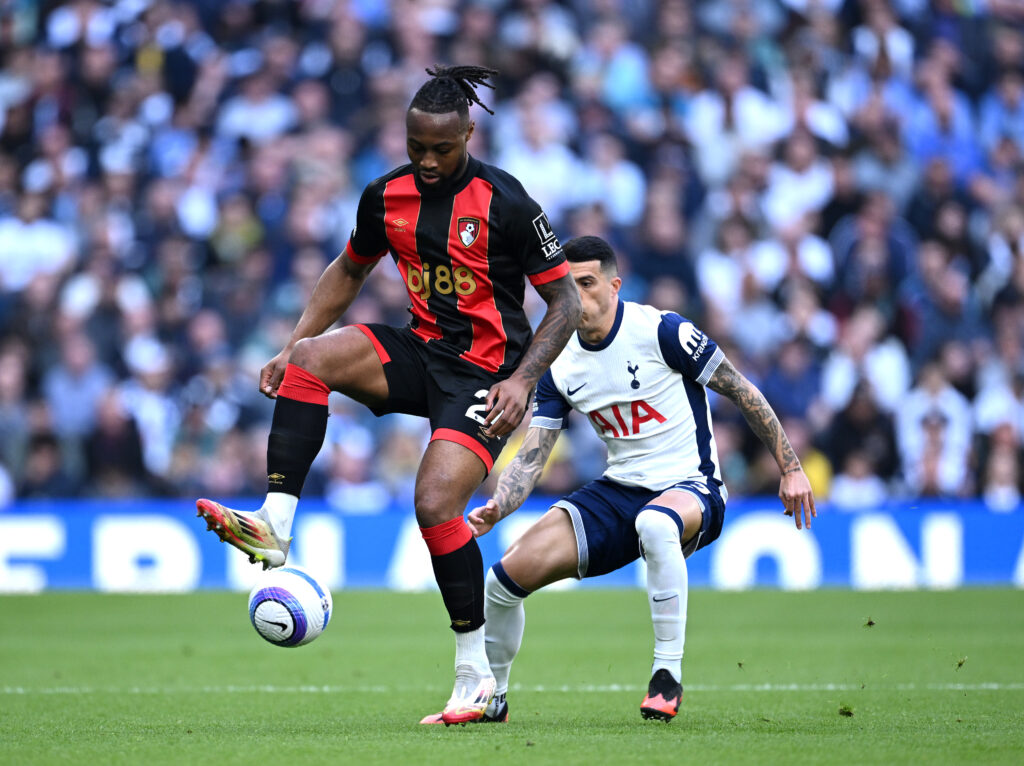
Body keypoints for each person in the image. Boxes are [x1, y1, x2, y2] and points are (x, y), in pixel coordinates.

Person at [195, 65, 582, 724]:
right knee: (311, 362)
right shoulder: (385, 195)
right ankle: (275, 526)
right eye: (416, 147)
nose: (427, 161)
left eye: (442, 149)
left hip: (485, 377)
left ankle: (475, 677)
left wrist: (522, 379)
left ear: (468, 135)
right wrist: (292, 343)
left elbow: (565, 301)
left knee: (434, 504)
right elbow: (349, 269)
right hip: (420, 352)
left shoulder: (508, 203)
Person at [437, 235, 815, 724]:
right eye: (566, 287)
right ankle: (494, 700)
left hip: (690, 484)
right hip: (619, 490)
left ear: (615, 286)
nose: (576, 298)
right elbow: (534, 453)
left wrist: (791, 467)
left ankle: (666, 674)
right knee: (501, 581)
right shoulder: (557, 362)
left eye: (587, 284)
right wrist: (500, 505)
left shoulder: (662, 331)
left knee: (655, 524)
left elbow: (742, 390)